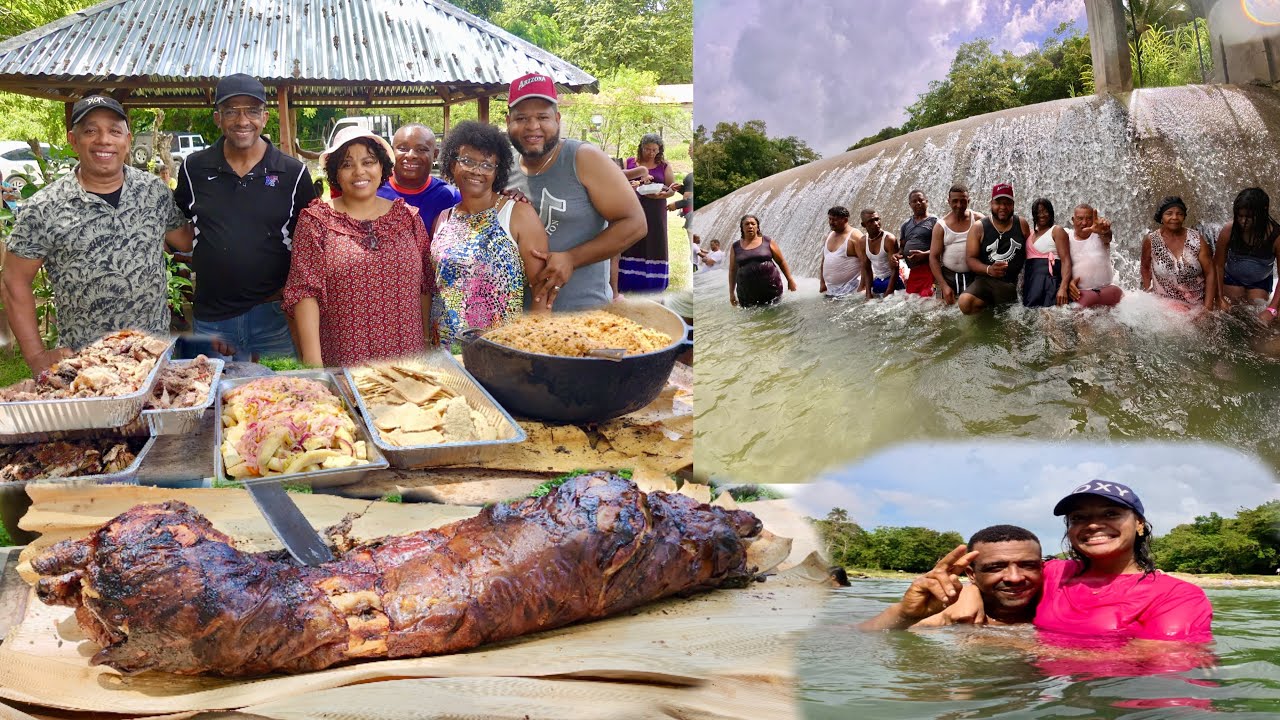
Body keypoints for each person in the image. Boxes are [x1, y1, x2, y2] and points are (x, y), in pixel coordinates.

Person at [3, 95, 189, 372]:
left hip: (153, 358)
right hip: (85, 365)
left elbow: (184, 239)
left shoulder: (153, 191)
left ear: (127, 140)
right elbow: (14, 281)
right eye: (91, 131)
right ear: (73, 140)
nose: (104, 140)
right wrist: (37, 357)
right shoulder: (44, 207)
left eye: (114, 131)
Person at [172, 74, 317, 361]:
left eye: (251, 110)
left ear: (264, 117)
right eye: (231, 111)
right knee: (211, 400)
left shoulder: (293, 173)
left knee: (284, 399)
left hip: (274, 316)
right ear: (217, 118)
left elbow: (311, 241)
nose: (242, 120)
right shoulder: (194, 168)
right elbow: (177, 224)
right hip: (212, 320)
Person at [282, 128, 431, 367]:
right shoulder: (316, 222)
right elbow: (304, 294)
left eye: (368, 161)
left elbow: (424, 285)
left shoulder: (408, 219)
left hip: (408, 360)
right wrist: (315, 365)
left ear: (381, 167)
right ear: (336, 174)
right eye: (347, 164)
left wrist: (425, 343)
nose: (359, 171)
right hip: (346, 361)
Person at [505, 73, 645, 311]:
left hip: (583, 316)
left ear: (557, 119)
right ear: (508, 121)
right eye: (521, 118)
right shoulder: (502, 166)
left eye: (542, 117)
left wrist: (571, 258)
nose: (532, 126)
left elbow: (635, 224)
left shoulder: (583, 158)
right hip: (515, 318)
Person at [1036, 480, 1213, 642]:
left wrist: (1014, 643)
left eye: (1111, 514)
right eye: (1078, 518)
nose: (1093, 525)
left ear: (1139, 524)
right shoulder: (1052, 573)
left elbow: (1163, 661)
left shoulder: (1178, 595)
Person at [430, 121, 549, 347]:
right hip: (444, 349)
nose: (476, 170)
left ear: (498, 171)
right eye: (467, 161)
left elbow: (541, 290)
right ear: (450, 164)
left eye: (487, 165)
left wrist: (534, 349)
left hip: (501, 350)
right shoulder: (443, 219)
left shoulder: (518, 214)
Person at [856, 525, 1043, 631]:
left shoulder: (1054, 606)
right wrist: (904, 614)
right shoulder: (953, 617)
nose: (1015, 577)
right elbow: (856, 635)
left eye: (1028, 565)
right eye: (995, 567)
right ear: (971, 574)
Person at [958, 183, 1030, 315]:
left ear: (1013, 205)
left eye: (1007, 203)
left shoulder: (1022, 224)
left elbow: (1031, 252)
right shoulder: (979, 227)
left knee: (1013, 330)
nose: (1003, 207)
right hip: (986, 281)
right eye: (998, 203)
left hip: (1013, 284)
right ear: (991, 204)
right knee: (965, 302)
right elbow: (970, 258)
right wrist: (989, 270)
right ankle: (985, 313)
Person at [377, 123, 461, 232]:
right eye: (402, 148)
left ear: (435, 154)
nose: (411, 155)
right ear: (391, 152)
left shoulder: (450, 197)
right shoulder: (376, 190)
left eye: (421, 149)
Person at [620, 133, 676, 293]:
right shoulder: (629, 162)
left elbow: (671, 188)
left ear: (660, 150)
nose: (651, 153)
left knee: (654, 240)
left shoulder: (665, 166)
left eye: (654, 150)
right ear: (641, 148)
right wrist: (635, 184)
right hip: (632, 206)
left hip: (655, 209)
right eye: (647, 149)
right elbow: (620, 181)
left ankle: (653, 281)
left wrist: (666, 194)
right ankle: (627, 279)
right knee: (631, 239)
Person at [1140, 196, 1216, 310]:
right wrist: (1148, 293)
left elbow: (1210, 272)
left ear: (1184, 216)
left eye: (1179, 214)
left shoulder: (1196, 239)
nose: (1174, 217)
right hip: (1164, 306)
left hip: (1196, 307)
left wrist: (1207, 308)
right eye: (1169, 213)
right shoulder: (1151, 240)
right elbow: (1145, 267)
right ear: (1161, 216)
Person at [1214, 188, 1280, 317]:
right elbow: (1217, 265)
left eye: (1249, 217)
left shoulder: (1276, 237)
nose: (1243, 221)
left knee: (1257, 310)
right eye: (1240, 216)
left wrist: (1272, 309)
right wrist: (1219, 297)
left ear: (1263, 213)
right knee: (1232, 310)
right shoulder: (1229, 230)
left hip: (1260, 281)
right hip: (1232, 278)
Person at [928, 184, 984, 305]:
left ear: (968, 201)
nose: (959, 205)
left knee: (972, 311)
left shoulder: (979, 220)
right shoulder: (940, 225)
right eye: (955, 201)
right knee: (937, 310)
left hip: (973, 276)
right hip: (946, 277)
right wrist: (943, 285)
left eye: (963, 201)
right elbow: (933, 257)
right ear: (948, 201)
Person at [728, 214, 796, 307]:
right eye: (747, 224)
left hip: (771, 289)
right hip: (746, 293)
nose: (750, 226)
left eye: (753, 224)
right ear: (742, 228)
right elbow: (732, 270)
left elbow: (781, 262)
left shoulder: (768, 241)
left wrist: (790, 280)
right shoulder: (735, 246)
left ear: (757, 227)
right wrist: (731, 293)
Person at [1065, 204, 1123, 308]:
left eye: (1089, 218)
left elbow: (1107, 237)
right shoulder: (1066, 237)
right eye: (1080, 218)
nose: (1084, 223)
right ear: (1073, 220)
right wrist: (1067, 283)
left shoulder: (1099, 235)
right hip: (1082, 294)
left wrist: (1104, 231)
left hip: (1108, 290)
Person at [1022, 198, 1072, 308]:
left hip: (1050, 284)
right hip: (1032, 285)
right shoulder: (1030, 234)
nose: (1042, 215)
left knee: (1049, 319)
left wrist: (1063, 287)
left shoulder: (1056, 230)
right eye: (1038, 212)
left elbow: (1066, 261)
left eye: (1045, 211)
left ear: (1051, 212)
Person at [818, 206, 869, 299]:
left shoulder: (855, 236)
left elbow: (865, 262)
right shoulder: (829, 235)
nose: (831, 222)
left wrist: (863, 286)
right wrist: (822, 283)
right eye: (830, 219)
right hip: (830, 290)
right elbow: (824, 261)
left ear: (845, 220)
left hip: (851, 290)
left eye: (835, 220)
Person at [899, 190, 937, 296]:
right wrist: (897, 255)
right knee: (910, 301)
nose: (918, 203)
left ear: (927, 201)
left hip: (930, 270)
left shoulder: (935, 222)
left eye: (921, 200)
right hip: (914, 272)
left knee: (927, 299)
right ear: (910, 204)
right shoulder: (905, 225)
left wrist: (925, 254)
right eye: (914, 201)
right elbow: (902, 248)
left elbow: (943, 247)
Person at [862, 209, 902, 297]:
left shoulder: (889, 239)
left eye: (877, 219)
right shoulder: (863, 241)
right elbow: (867, 269)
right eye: (870, 221)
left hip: (894, 281)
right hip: (878, 281)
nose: (876, 223)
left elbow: (895, 269)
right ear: (864, 225)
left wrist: (889, 291)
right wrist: (868, 293)